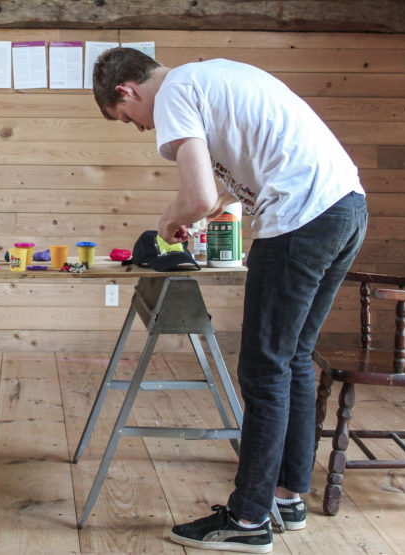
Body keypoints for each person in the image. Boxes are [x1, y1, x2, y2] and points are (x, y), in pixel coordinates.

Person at [93, 49, 367, 554]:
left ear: (124, 91)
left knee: (264, 369)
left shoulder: (174, 91)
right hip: (345, 206)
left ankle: (246, 520)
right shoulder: (209, 76)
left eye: (127, 120)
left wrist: (168, 218)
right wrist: (199, 207)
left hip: (302, 216)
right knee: (294, 359)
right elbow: (218, 194)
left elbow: (198, 197)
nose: (139, 129)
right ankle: (287, 496)